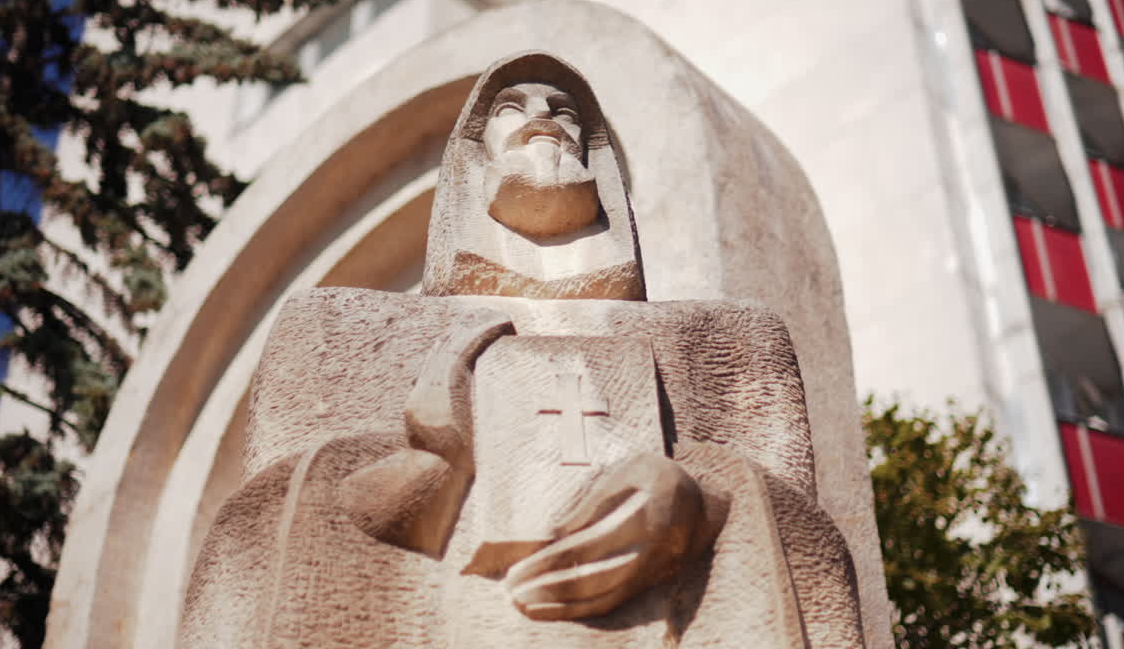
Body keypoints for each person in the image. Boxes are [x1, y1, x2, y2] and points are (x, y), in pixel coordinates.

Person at [180, 52, 865, 648]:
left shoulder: (728, 340)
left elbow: (813, 544)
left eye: (565, 110)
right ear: (468, 162)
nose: (543, 113)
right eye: (512, 106)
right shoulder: (333, 327)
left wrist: (693, 501)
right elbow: (257, 535)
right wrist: (430, 464)